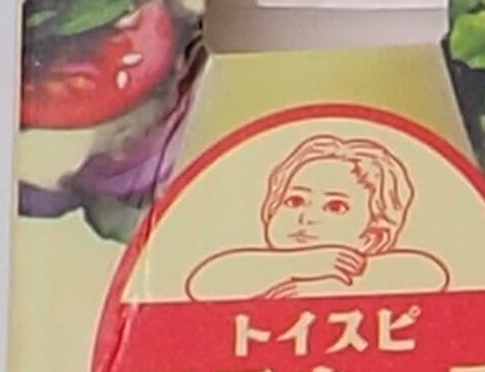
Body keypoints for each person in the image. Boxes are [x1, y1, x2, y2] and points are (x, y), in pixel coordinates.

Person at [181, 128, 450, 299]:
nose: (306, 217)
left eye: (335, 207)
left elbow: (430, 273)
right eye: (294, 201)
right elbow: (203, 284)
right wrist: (306, 263)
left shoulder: (372, 273)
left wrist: (326, 287)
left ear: (373, 237)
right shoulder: (251, 271)